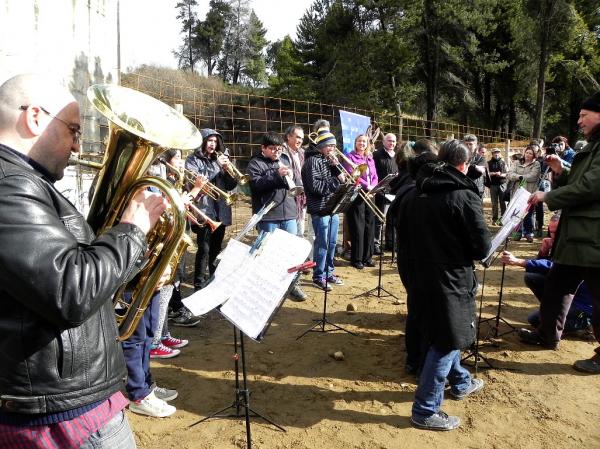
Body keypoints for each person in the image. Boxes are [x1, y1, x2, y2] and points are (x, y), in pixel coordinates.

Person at [0, 73, 167, 448]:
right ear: (35, 119)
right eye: (73, 130)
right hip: (62, 417)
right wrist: (133, 229)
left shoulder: (26, 182)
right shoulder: (9, 186)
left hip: (66, 401)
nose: (78, 145)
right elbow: (71, 290)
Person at [398, 139, 491, 431]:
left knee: (444, 333)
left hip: (418, 276)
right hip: (450, 280)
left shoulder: (413, 192)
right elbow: (481, 248)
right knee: (447, 339)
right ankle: (425, 409)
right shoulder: (463, 195)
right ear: (464, 165)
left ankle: (461, 382)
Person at [520, 91, 600, 374]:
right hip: (577, 236)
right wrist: (561, 170)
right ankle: (546, 334)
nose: (579, 121)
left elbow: (591, 188)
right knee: (556, 287)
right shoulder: (593, 147)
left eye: (584, 115)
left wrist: (548, 197)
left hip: (593, 240)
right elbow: (580, 181)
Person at [247, 131, 306, 300]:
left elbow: (294, 182)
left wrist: (293, 178)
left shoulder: (285, 160)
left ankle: (292, 285)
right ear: (263, 148)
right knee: (267, 254)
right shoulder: (255, 163)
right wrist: (276, 174)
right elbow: (256, 186)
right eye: (272, 149)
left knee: (291, 252)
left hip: (288, 212)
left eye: (279, 149)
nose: (276, 152)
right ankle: (267, 287)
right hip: (268, 215)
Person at [185, 128, 238, 294]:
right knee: (204, 249)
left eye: (215, 141)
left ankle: (214, 282)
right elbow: (198, 181)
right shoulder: (193, 160)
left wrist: (229, 170)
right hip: (203, 211)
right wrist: (216, 165)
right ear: (202, 141)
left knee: (216, 249)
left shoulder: (221, 158)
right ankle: (199, 286)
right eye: (209, 141)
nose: (212, 144)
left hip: (220, 210)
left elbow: (231, 186)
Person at [122, 268, 179, 418]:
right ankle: (138, 395)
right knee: (134, 339)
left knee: (149, 333)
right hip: (131, 281)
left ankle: (147, 386)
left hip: (150, 280)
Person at [500, 251, 592, 336]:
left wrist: (519, 261)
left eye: (554, 232)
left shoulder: (584, 249)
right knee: (532, 278)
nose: (552, 233)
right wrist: (543, 253)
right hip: (570, 294)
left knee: (536, 320)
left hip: (583, 307)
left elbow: (558, 267)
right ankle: (550, 312)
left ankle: (584, 324)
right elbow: (551, 264)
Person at [301, 127, 347, 291]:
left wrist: (336, 168)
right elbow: (316, 187)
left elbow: (342, 182)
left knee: (332, 243)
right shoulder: (312, 161)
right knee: (322, 244)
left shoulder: (328, 160)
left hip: (332, 207)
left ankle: (329, 272)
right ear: (321, 146)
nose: (333, 149)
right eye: (330, 146)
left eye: (334, 146)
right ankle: (318, 276)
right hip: (320, 209)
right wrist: (336, 180)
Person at [343, 134, 378, 269]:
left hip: (370, 194)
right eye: (359, 141)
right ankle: (357, 258)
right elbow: (353, 174)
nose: (362, 143)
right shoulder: (351, 157)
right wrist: (366, 185)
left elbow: (375, 175)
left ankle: (367, 257)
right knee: (358, 226)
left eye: (364, 141)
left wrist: (373, 186)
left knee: (370, 224)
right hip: (358, 194)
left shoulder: (369, 157)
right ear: (355, 143)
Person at [506, 145, 541, 242]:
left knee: (528, 214)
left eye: (530, 153)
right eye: (527, 152)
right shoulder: (517, 162)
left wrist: (518, 176)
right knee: (516, 213)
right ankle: (517, 232)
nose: (528, 155)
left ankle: (528, 232)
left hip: (529, 193)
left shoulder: (536, 164)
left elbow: (533, 176)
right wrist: (520, 177)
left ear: (534, 155)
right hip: (517, 193)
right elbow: (509, 174)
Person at [373, 133, 398, 254]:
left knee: (392, 219)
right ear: (383, 141)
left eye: (393, 141)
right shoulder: (377, 155)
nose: (391, 143)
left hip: (395, 192)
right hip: (381, 192)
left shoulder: (397, 156)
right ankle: (375, 244)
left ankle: (390, 243)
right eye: (389, 141)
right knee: (379, 219)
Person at [487, 148, 507, 224]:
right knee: (494, 203)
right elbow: (487, 174)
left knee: (503, 203)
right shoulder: (488, 163)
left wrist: (501, 174)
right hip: (493, 185)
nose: (496, 154)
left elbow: (507, 173)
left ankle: (503, 219)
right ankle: (494, 219)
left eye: (498, 152)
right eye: (495, 153)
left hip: (502, 184)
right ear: (492, 154)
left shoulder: (503, 163)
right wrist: (494, 173)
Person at [463, 134, 486, 198]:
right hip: (463, 189)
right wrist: (475, 166)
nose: (468, 146)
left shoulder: (481, 158)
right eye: (466, 144)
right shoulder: (459, 157)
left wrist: (466, 166)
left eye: (470, 144)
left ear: (476, 145)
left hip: (477, 191)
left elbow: (477, 174)